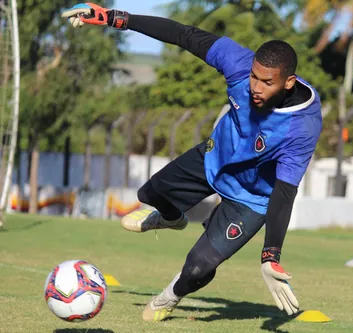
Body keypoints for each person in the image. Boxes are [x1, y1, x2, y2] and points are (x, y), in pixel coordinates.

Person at [62, 2, 323, 322]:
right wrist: (115, 18)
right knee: (149, 196)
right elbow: (183, 35)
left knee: (199, 266)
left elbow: (285, 191)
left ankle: (170, 296)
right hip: (215, 157)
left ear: (288, 82)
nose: (255, 87)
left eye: (266, 83)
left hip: (252, 198)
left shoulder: (302, 127)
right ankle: (171, 217)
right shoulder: (238, 63)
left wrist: (271, 255)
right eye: (254, 77)